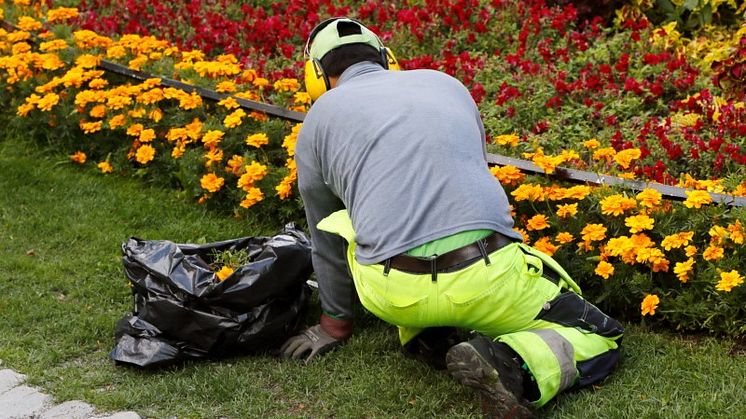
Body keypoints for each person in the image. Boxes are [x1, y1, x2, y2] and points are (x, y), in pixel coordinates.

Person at [280, 17, 624, 418]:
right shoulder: (447, 84)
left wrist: (333, 325)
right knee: (600, 334)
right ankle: (512, 364)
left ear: (316, 75)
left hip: (393, 295)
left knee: (346, 219)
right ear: (387, 57)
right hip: (486, 281)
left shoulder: (317, 122)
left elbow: (325, 236)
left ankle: (427, 334)